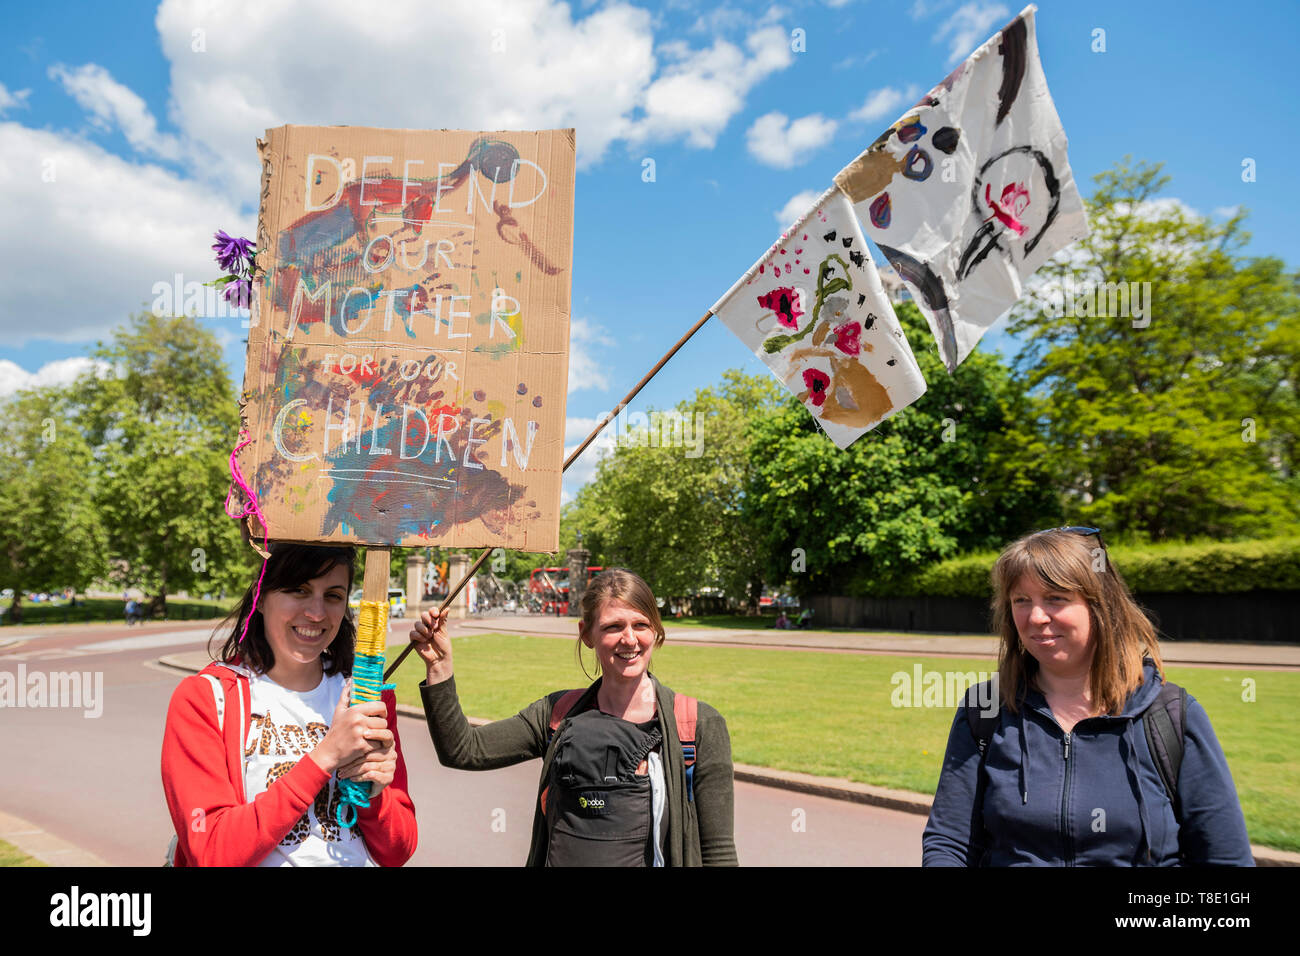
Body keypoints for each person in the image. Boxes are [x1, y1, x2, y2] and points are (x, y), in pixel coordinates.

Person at [923, 527, 1253, 866]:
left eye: (1056, 598)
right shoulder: (986, 708)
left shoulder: (1169, 715)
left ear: (1101, 606)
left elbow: (1227, 859)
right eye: (1022, 600)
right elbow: (949, 841)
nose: (1036, 617)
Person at [410, 567, 737, 866]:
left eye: (641, 625)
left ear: (656, 631)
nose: (629, 639)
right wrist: (439, 667)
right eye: (613, 627)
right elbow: (464, 750)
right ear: (587, 634)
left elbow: (718, 852)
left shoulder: (696, 726)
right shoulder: (556, 716)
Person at [161, 543, 417, 866]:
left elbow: (398, 850)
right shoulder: (205, 700)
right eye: (299, 590)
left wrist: (373, 796)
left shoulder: (364, 698)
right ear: (262, 597)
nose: (316, 612)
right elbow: (212, 851)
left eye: (333, 596)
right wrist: (326, 756)